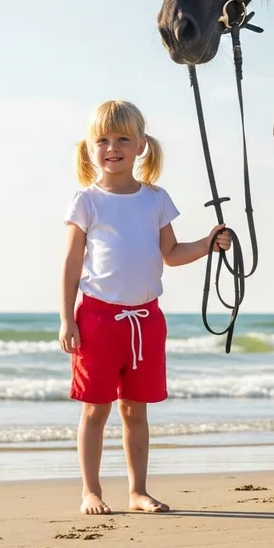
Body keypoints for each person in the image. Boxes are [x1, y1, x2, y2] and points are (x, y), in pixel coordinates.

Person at [59, 100, 231, 515]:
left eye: (122, 139)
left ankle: (137, 491)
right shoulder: (87, 201)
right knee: (96, 409)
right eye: (102, 140)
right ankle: (91, 491)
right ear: (89, 148)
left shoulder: (155, 198)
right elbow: (70, 263)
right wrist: (68, 319)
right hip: (98, 319)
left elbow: (170, 252)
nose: (112, 147)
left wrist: (209, 244)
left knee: (136, 410)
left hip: (146, 320)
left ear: (141, 146)